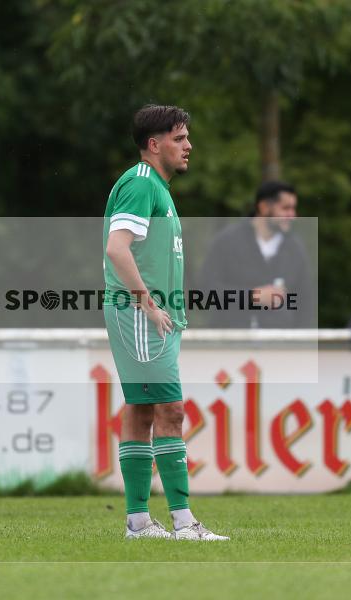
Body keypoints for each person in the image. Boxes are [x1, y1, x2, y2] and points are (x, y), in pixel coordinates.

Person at [103, 104, 228, 541]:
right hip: (140, 316)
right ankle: (184, 523)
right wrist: (149, 304)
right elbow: (117, 249)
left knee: (141, 410)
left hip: (147, 316)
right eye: (179, 138)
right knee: (170, 410)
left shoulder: (156, 187)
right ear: (154, 145)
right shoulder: (141, 185)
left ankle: (138, 524)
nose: (188, 145)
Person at [198, 181, 315, 328]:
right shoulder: (226, 241)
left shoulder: (295, 249)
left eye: (293, 209)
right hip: (230, 343)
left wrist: (298, 344)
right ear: (264, 207)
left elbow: (306, 304)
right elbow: (205, 292)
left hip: (279, 346)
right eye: (286, 208)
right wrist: (252, 297)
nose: (293, 216)